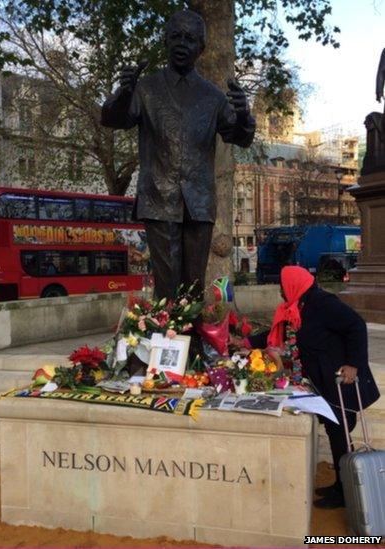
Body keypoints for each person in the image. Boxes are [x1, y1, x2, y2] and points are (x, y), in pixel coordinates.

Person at [101, 9, 255, 299]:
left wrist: (245, 115)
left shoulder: (214, 97)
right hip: (159, 198)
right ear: (165, 41)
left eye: (190, 38)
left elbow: (239, 137)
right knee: (167, 282)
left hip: (199, 201)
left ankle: (192, 340)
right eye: (175, 37)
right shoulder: (145, 88)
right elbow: (114, 119)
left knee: (194, 283)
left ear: (201, 48)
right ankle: (168, 339)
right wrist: (122, 94)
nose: (182, 44)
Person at [249, 266, 380, 509]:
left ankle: (344, 492)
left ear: (294, 285)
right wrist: (246, 341)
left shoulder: (323, 304)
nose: (280, 291)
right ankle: (341, 484)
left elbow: (356, 326)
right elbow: (278, 333)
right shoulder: (299, 306)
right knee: (335, 431)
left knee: (339, 430)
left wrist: (354, 364)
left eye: (282, 286)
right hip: (324, 380)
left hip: (340, 380)